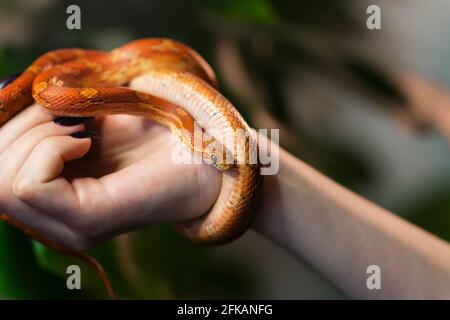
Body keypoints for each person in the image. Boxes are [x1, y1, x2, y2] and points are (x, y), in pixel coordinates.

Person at [0, 77, 449, 299]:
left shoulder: (177, 120)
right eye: (215, 155)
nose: (223, 158)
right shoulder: (173, 119)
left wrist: (229, 171)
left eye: (217, 156)